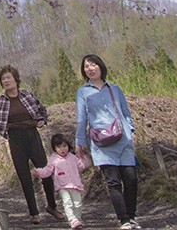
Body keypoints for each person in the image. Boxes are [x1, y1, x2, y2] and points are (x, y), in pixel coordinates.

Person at [74, 53, 140, 229]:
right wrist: (80, 142)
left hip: (123, 140)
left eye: (93, 65)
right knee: (113, 182)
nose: (90, 69)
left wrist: (130, 129)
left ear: (101, 66)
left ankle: (132, 217)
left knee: (131, 179)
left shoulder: (115, 89)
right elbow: (81, 119)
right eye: (86, 67)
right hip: (101, 143)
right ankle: (124, 220)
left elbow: (125, 112)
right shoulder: (82, 92)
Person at [0, 65, 56, 224]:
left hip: (32, 135)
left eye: (8, 78)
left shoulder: (27, 94)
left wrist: (42, 121)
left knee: (45, 170)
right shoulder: (0, 100)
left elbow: (42, 109)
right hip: (15, 138)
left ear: (16, 80)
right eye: (3, 79)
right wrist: (2, 129)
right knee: (24, 176)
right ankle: (34, 213)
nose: (6, 81)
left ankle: (52, 206)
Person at [32, 133, 87, 228]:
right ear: (54, 148)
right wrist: (38, 171)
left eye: (64, 146)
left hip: (74, 184)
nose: (62, 149)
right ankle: (72, 219)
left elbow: (81, 166)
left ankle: (77, 220)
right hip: (62, 186)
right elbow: (47, 171)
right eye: (59, 147)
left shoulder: (72, 157)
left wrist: (83, 158)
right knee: (67, 202)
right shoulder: (53, 159)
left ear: (68, 146)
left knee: (77, 204)